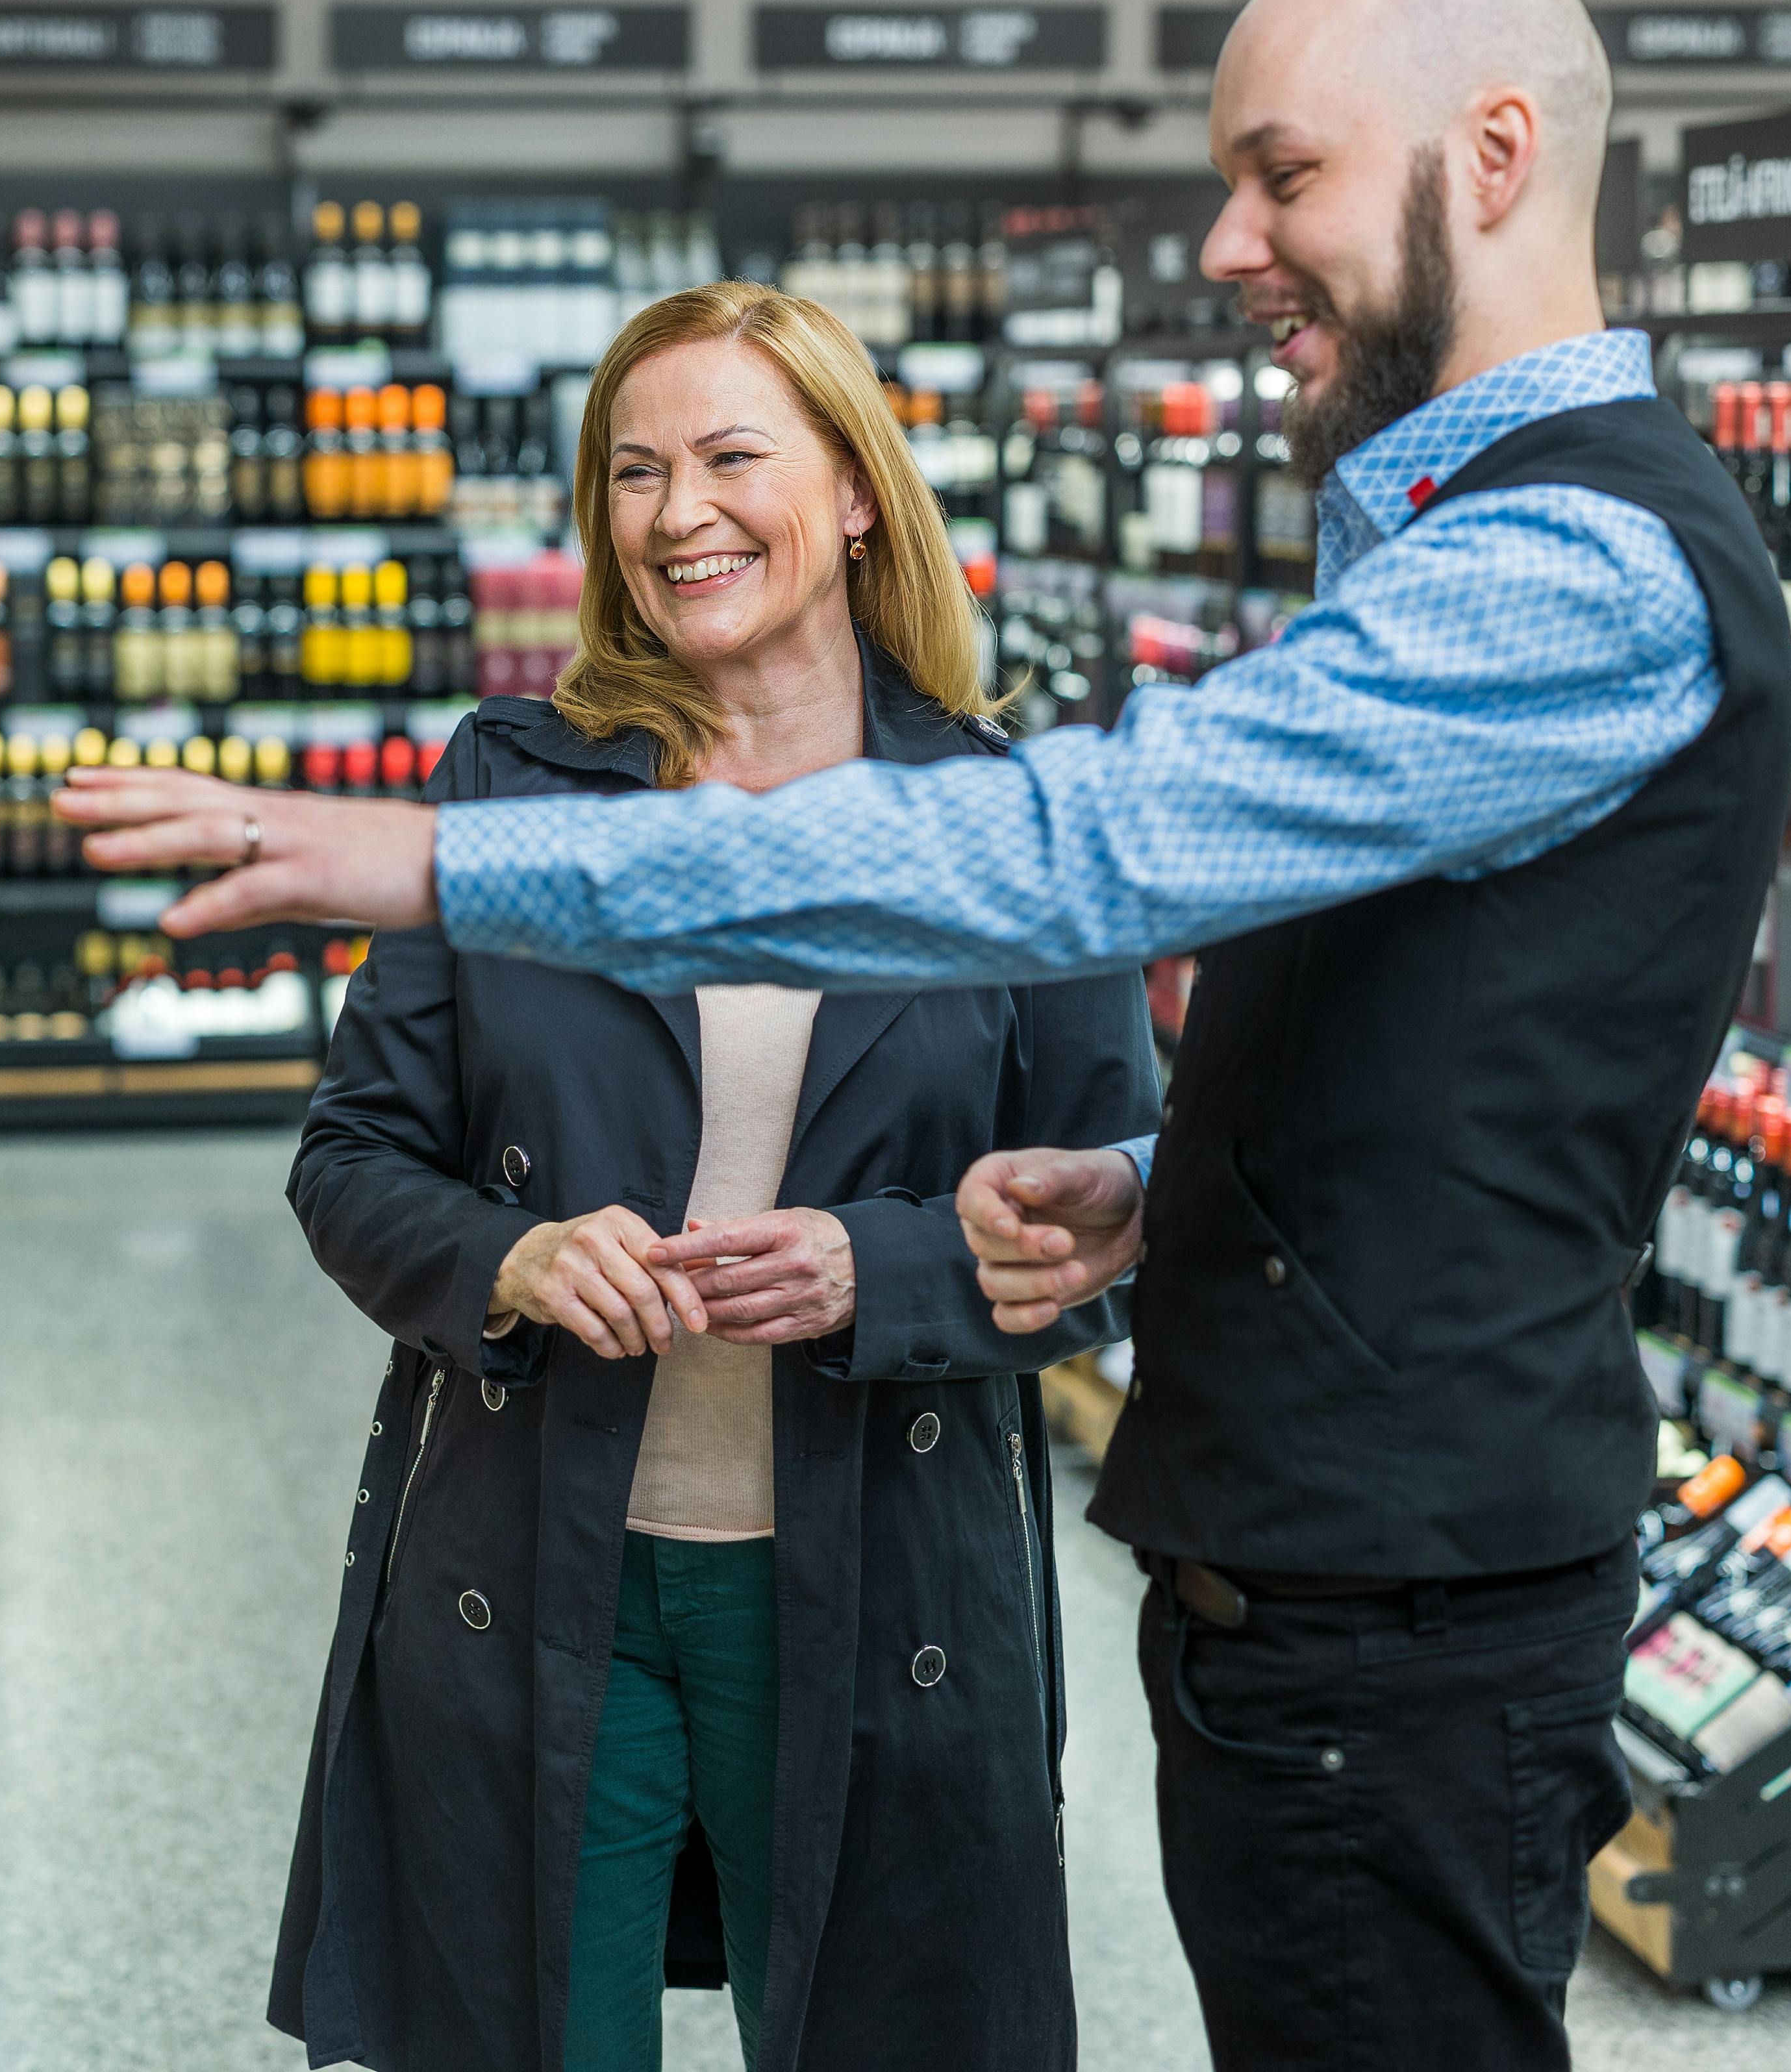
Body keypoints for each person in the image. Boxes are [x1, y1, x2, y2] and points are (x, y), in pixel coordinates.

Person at [65, 0, 1791, 2071]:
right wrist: (1162, 1194)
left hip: (1362, 1597)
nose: (1225, 237)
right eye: (634, 470)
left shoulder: (1562, 565)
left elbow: (1078, 855)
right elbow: (1444, 1071)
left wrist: (425, 864)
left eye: (1280, 173)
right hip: (1272, 1588)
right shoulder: (1443, 545)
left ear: (1497, 151)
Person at [270, 282, 1160, 2072]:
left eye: (732, 457)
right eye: (633, 471)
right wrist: (508, 1263)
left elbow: (1121, 1209)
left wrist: (884, 1269)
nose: (678, 515)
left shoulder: (1013, 819)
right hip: (539, 1573)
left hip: (878, 1584)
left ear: (851, 491)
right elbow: (352, 1157)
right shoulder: (516, 790)